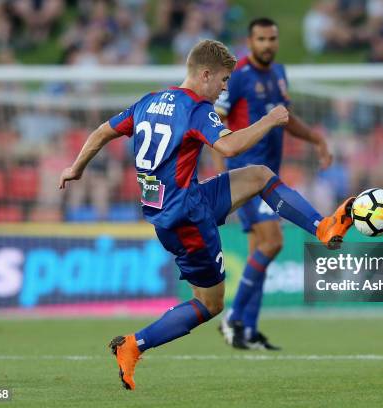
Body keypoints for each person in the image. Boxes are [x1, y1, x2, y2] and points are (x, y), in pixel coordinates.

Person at [59, 39, 354, 391]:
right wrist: (270, 120)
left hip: (179, 204)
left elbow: (102, 131)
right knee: (210, 304)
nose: (224, 88)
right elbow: (228, 146)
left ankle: (322, 226)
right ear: (205, 74)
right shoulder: (196, 108)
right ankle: (133, 344)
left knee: (259, 174)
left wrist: (76, 168)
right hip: (187, 219)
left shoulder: (149, 101)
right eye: (223, 80)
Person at [214, 18, 333, 350]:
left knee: (260, 249)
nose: (268, 44)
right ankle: (233, 317)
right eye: (261, 39)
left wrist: (316, 139)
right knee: (273, 242)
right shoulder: (237, 76)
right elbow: (216, 126)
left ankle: (248, 330)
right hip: (244, 173)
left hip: (268, 177)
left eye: (272, 38)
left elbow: (286, 118)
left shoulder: (279, 73)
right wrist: (219, 176)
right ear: (250, 41)